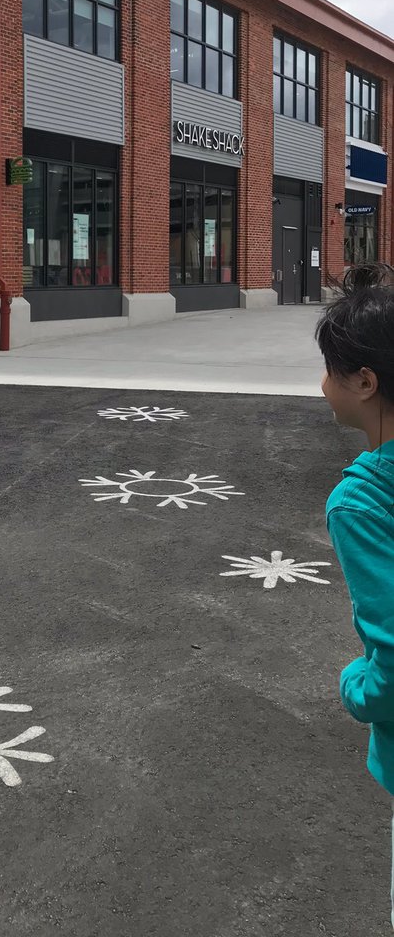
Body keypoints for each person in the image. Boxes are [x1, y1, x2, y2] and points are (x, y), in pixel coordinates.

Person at [317, 262, 394, 928]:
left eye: (329, 371)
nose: (321, 387)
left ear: (364, 382)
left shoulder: (362, 500)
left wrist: (354, 686)